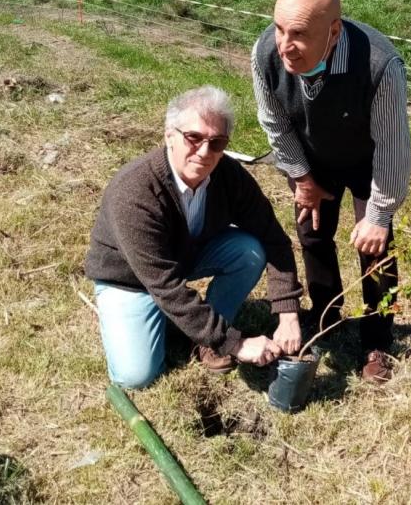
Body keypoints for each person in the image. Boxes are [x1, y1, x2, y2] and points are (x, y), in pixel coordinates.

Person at [84, 86, 303, 389]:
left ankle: (205, 338)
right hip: (130, 278)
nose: (204, 152)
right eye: (194, 138)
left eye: (217, 143)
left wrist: (288, 310)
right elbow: (164, 284)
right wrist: (236, 344)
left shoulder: (229, 176)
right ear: (169, 135)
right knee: (135, 377)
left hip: (185, 256)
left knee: (249, 250)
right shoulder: (135, 192)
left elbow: (274, 239)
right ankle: (175, 323)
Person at [251, 0, 411, 384]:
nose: (285, 46)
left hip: (367, 160)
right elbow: (274, 123)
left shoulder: (379, 65)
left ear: (334, 32)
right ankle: (326, 316)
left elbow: (392, 148)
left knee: (375, 249)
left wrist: (378, 215)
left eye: (300, 34)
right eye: (280, 28)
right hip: (311, 156)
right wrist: (302, 178)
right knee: (313, 233)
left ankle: (377, 337)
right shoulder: (266, 53)